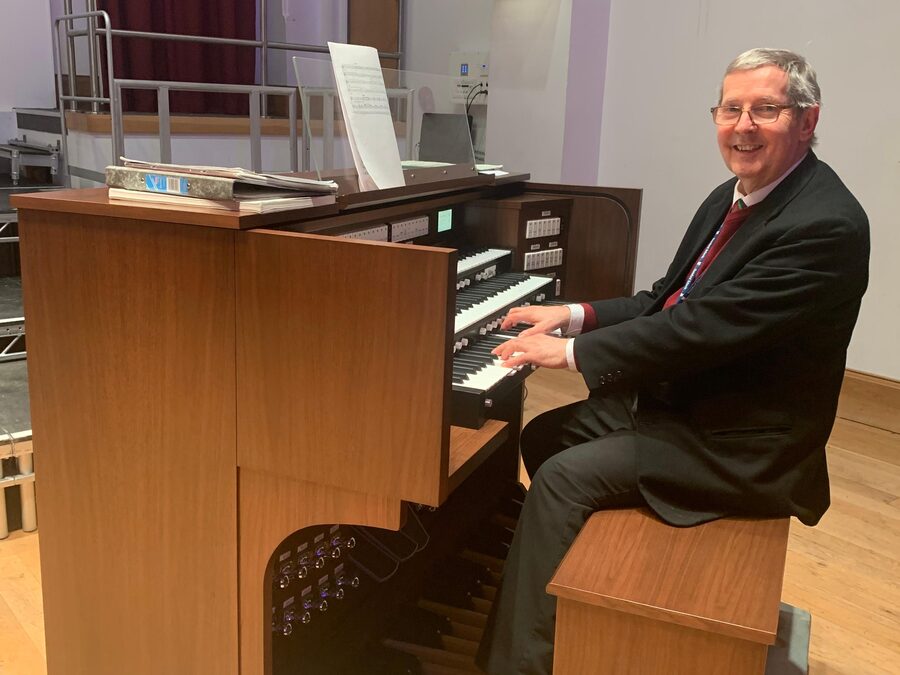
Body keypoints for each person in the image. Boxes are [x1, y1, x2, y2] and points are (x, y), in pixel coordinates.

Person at [475, 47, 870, 675]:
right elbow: (665, 299)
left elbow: (699, 331)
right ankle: (576, 597)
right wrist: (572, 315)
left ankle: (517, 663)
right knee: (547, 435)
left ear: (806, 119)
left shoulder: (825, 224)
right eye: (730, 109)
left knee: (562, 479)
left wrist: (573, 354)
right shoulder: (732, 196)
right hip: (692, 406)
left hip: (740, 442)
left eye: (764, 110)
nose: (742, 126)